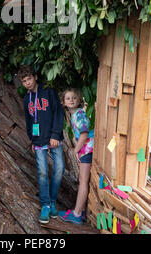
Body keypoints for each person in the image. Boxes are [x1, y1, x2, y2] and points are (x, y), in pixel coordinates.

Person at [18, 65, 65, 224]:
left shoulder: (48, 91)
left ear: (35, 77)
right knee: (43, 172)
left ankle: (52, 201)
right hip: (38, 140)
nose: (27, 83)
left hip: (54, 138)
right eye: (24, 81)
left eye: (29, 79)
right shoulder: (26, 99)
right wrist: (32, 139)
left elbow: (59, 112)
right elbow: (29, 120)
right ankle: (46, 205)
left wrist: (55, 134)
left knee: (59, 169)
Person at [58, 88, 94, 225]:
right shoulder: (74, 115)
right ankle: (82, 211)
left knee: (83, 181)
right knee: (83, 180)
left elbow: (84, 134)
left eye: (74, 97)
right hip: (86, 149)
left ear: (79, 100)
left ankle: (77, 214)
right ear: (64, 102)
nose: (71, 100)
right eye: (68, 98)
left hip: (87, 149)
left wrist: (75, 150)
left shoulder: (79, 114)